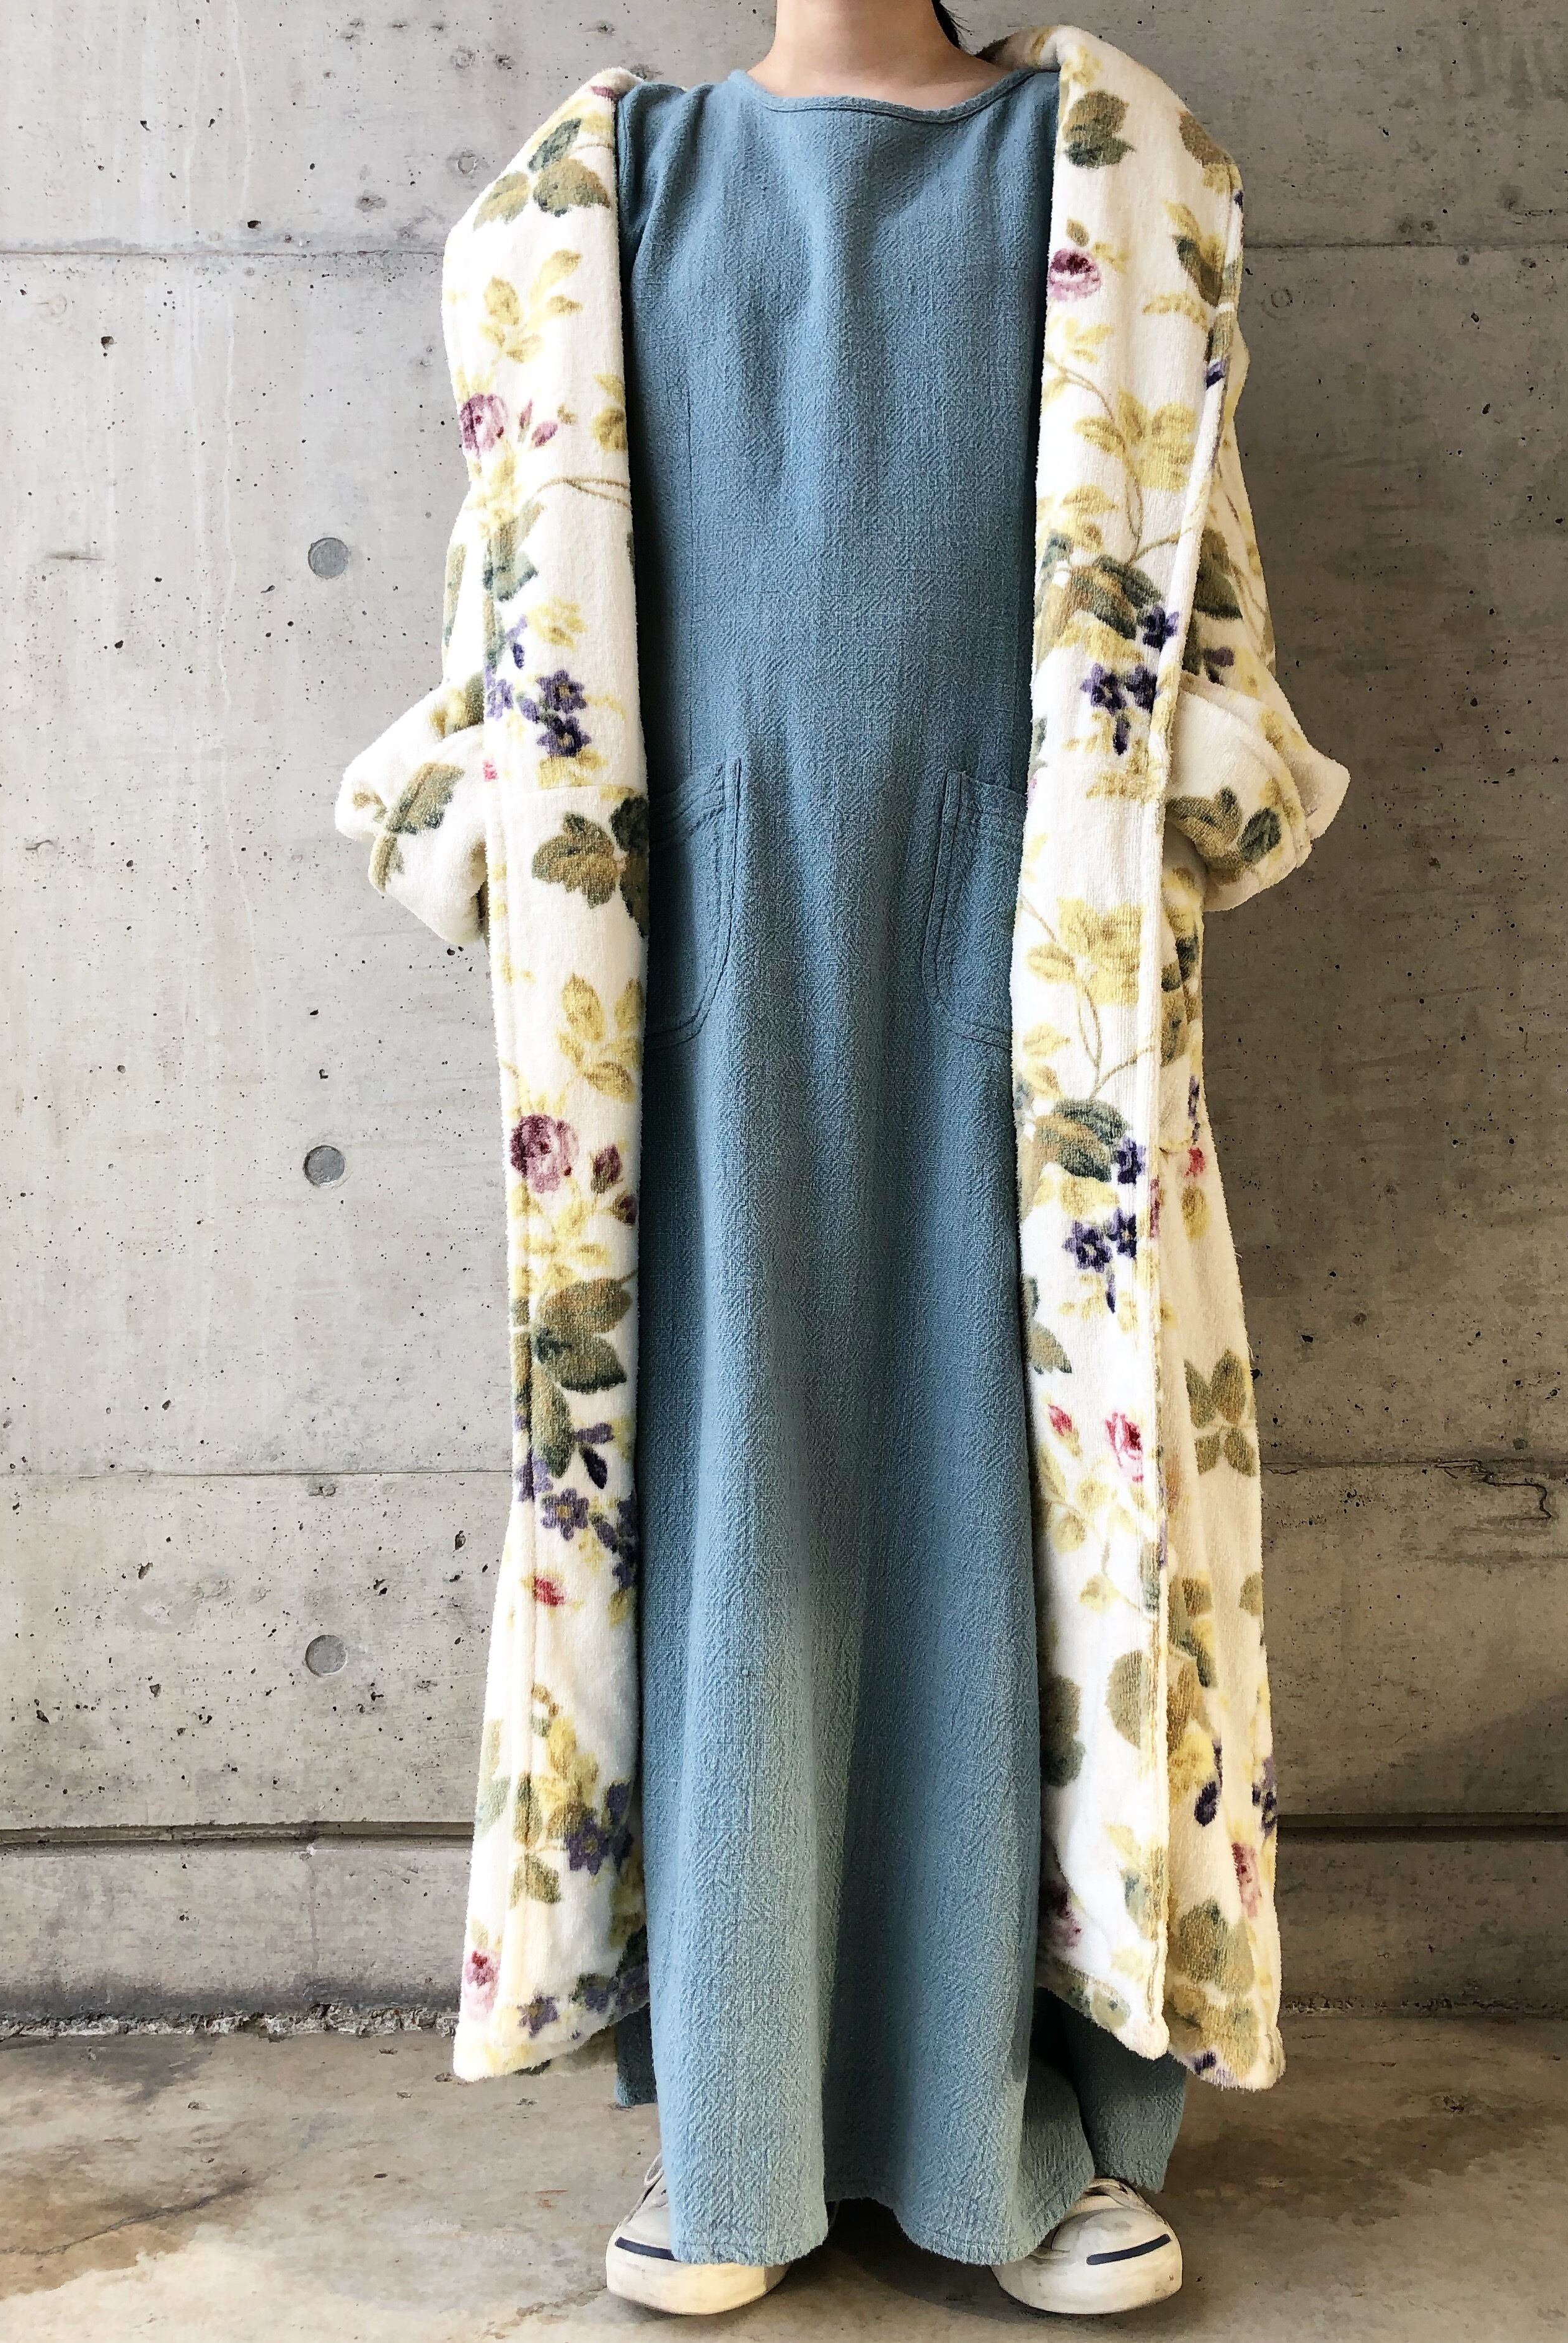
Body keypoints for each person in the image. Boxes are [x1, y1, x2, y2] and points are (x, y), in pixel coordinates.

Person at [599, 2, 1186, 2316]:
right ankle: (736, 2129)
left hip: (1023, 937)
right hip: (714, 940)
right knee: (743, 1485)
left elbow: (1186, 581)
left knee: (1002, 1493)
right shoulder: (615, 186)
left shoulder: (1100, 163)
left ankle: (1007, 2118)